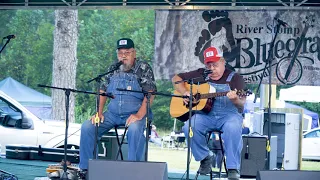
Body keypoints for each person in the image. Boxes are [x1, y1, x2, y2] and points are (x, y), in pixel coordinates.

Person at [79, 38, 157, 176]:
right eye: (121, 53)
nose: (124, 56)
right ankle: (87, 170)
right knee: (88, 127)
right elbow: (103, 91)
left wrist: (139, 115)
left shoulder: (143, 68)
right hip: (113, 114)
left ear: (134, 53)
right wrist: (99, 112)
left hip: (135, 113)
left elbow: (150, 93)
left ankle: (133, 172)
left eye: (127, 52)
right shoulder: (112, 68)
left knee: (134, 129)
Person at [172, 46, 246, 180]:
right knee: (189, 125)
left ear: (223, 61)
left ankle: (233, 168)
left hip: (229, 116)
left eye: (215, 65)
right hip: (206, 115)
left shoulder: (235, 78)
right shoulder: (201, 74)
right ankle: (205, 157)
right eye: (209, 65)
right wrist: (185, 92)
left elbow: (241, 104)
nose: (212, 69)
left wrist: (235, 99)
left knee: (233, 127)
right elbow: (176, 79)